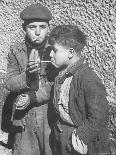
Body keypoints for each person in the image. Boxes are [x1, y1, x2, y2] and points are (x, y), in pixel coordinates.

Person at [48, 25, 111, 155]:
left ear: (71, 53)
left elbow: (100, 115)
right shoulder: (60, 73)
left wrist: (82, 136)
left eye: (54, 50)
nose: (50, 54)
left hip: (77, 142)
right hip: (61, 137)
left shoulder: (88, 79)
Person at [5, 3, 57, 155]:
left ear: (49, 28)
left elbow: (58, 83)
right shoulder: (16, 50)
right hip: (24, 114)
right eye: (32, 27)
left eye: (43, 27)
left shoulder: (54, 50)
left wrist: (33, 97)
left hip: (49, 114)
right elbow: (9, 83)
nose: (38, 32)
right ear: (24, 28)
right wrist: (27, 76)